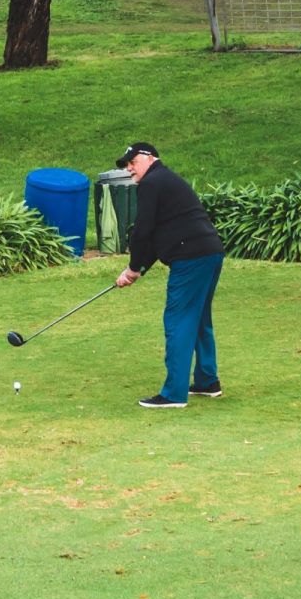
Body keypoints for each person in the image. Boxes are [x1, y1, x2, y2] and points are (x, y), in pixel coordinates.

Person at [113, 142, 226, 409]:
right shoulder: (164, 180)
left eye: (132, 162)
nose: (129, 168)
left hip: (192, 257)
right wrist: (136, 270)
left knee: (178, 319)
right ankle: (207, 381)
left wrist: (133, 267)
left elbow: (142, 231)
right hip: (209, 251)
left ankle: (174, 394)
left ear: (149, 158)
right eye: (126, 164)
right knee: (198, 317)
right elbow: (154, 236)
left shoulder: (152, 183)